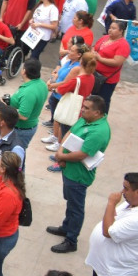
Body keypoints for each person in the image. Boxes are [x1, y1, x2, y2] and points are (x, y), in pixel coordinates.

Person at [49, 96, 111, 254]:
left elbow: (82, 154)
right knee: (70, 201)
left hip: (78, 175)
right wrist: (60, 151)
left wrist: (62, 157)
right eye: (83, 106)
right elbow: (70, 132)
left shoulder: (99, 131)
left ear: (97, 113)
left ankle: (71, 240)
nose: (82, 110)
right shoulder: (85, 119)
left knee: (76, 207)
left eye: (87, 108)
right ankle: (66, 227)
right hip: (68, 169)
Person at [9, 58, 48, 149]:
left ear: (24, 71)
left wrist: (6, 108)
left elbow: (23, 115)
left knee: (15, 156)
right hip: (28, 127)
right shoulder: (41, 84)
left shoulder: (29, 92)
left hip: (21, 130)